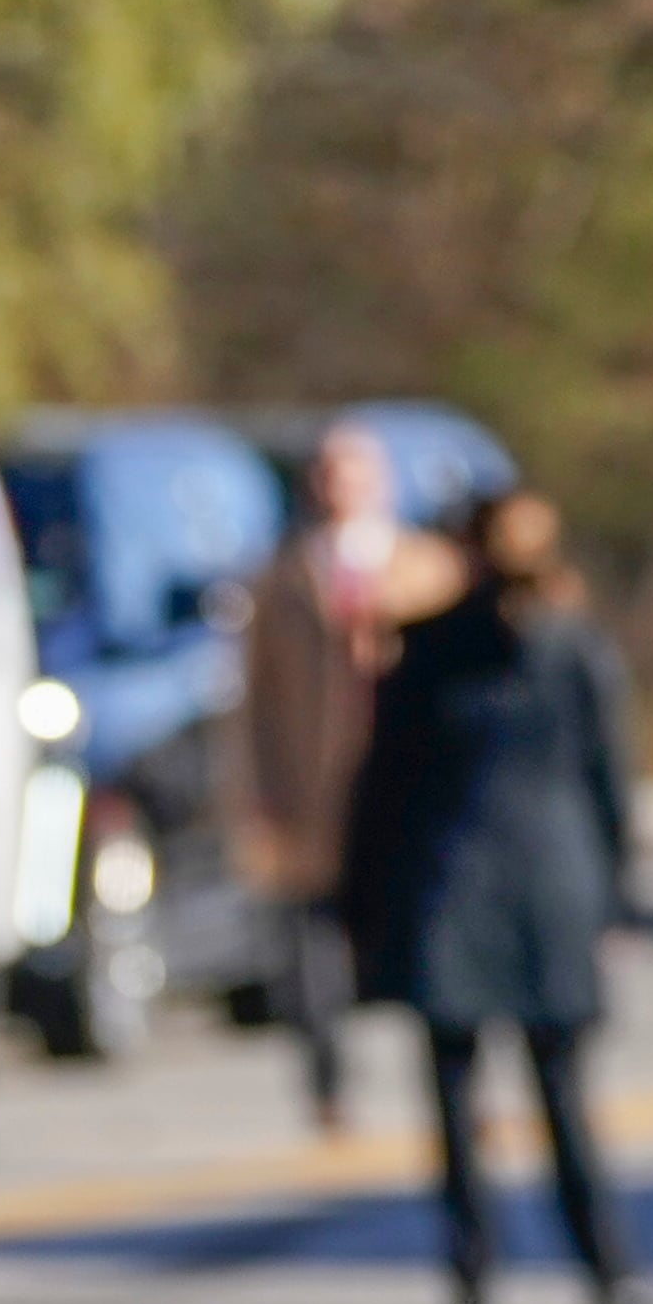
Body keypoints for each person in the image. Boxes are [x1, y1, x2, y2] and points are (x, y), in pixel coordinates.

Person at [345, 485, 653, 1304]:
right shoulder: (570, 648)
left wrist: (359, 903)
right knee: (559, 1096)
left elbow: (380, 787)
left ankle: (474, 1266)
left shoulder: (436, 650)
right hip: (539, 891)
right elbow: (609, 784)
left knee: (461, 1098)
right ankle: (604, 1269)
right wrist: (617, 896)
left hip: (455, 888)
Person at [229, 423, 463, 1136]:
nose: (340, 488)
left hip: (408, 783)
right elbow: (256, 698)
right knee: (314, 951)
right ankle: (328, 1087)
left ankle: (455, 1091)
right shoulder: (281, 579)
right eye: (328, 473)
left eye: (354, 473)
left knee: (433, 944)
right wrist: (257, 794)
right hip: (316, 790)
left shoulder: (428, 568)